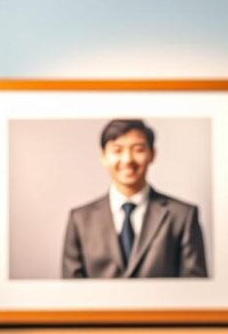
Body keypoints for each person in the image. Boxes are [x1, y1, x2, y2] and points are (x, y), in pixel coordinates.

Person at [62, 119, 208, 279]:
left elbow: (196, 289)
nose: (127, 160)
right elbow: (71, 291)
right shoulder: (80, 220)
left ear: (152, 154)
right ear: (103, 156)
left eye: (138, 149)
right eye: (117, 150)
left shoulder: (182, 216)